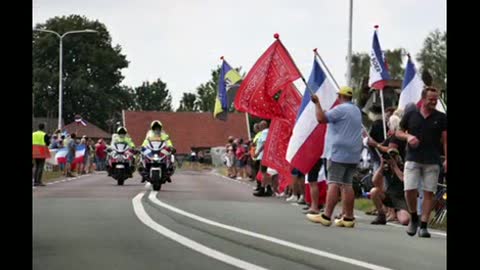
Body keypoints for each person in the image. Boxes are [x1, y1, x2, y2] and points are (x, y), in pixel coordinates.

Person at [307, 86, 363, 228]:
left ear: (340, 97)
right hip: (353, 153)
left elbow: (321, 118)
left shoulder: (340, 109)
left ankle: (326, 215)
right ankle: (349, 217)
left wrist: (317, 103)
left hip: (338, 152)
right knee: (347, 184)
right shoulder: (356, 110)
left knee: (333, 182)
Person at [396, 87, 447, 238]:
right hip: (412, 158)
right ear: (423, 99)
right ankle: (413, 216)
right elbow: (398, 132)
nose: (434, 102)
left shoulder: (442, 117)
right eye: (431, 99)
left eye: (436, 99)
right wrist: (408, 137)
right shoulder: (411, 115)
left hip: (432, 160)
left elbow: (445, 140)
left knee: (428, 193)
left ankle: (424, 225)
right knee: (409, 190)